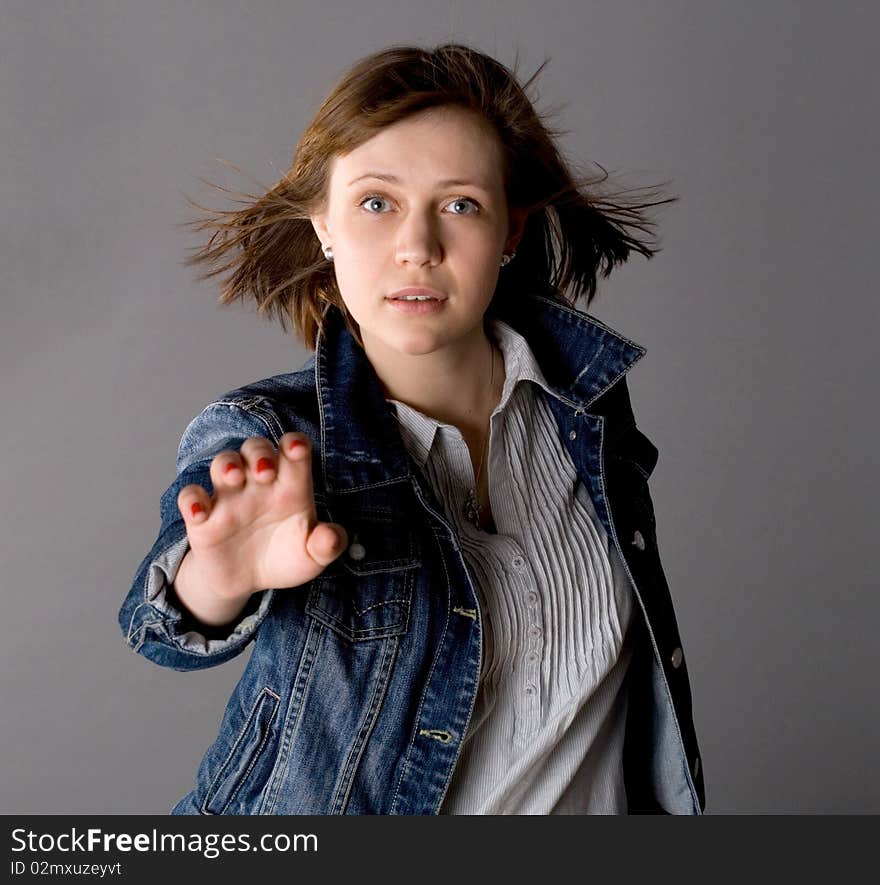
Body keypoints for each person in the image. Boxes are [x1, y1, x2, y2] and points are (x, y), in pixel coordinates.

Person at [118, 42, 705, 815]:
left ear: (511, 231)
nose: (418, 247)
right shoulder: (276, 433)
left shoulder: (584, 406)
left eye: (460, 205)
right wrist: (219, 579)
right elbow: (159, 621)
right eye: (375, 202)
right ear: (323, 222)